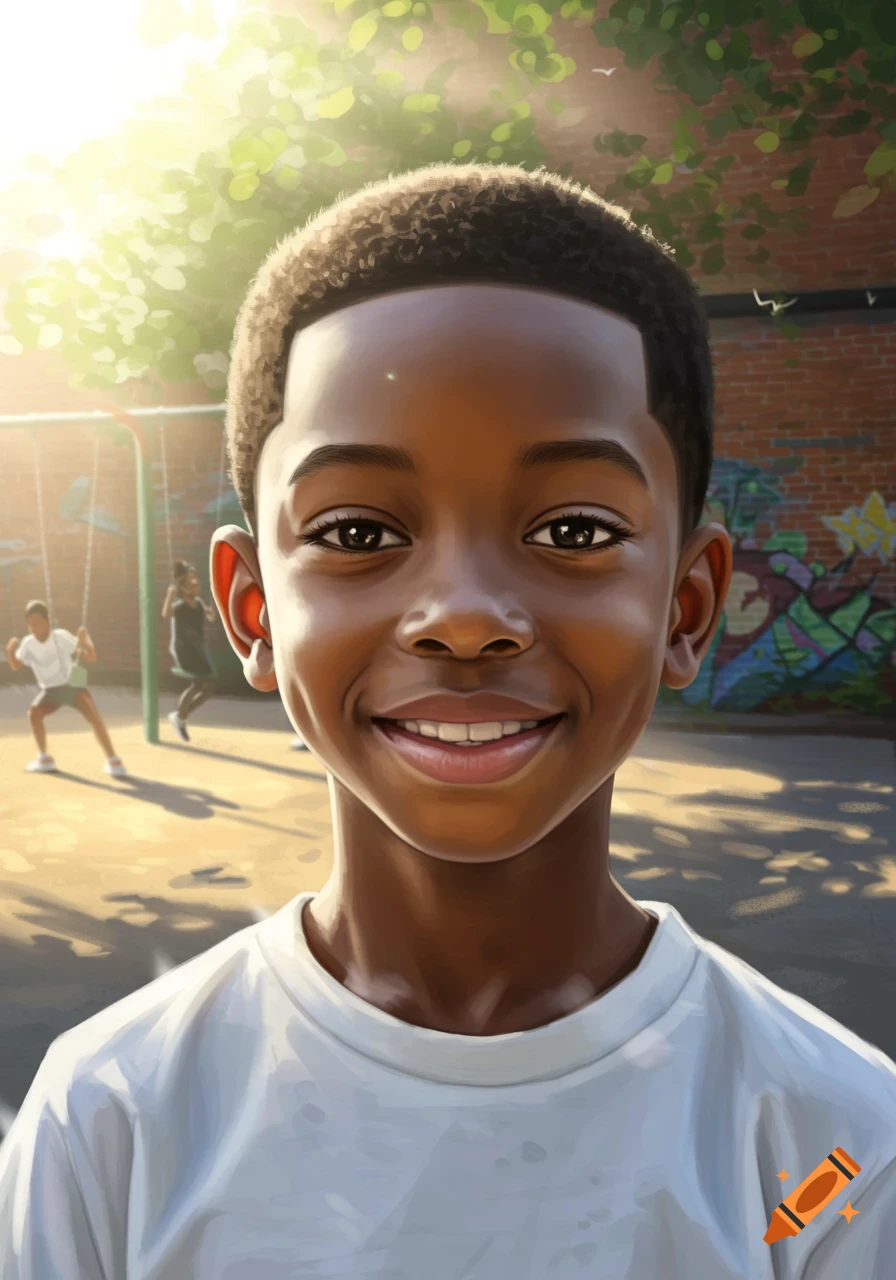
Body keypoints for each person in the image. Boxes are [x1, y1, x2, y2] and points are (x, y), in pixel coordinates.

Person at [1, 164, 894, 1279]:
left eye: (571, 530)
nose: (464, 617)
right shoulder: (111, 1117)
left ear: (687, 601)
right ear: (250, 607)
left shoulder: (838, 1148)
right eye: (359, 531)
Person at [5, 599, 127, 778]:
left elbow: (90, 658)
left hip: (73, 685)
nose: (34, 628)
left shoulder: (60, 636)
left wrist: (86, 641)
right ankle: (44, 758)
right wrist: (10, 651)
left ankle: (113, 760)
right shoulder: (28, 643)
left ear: (48, 622)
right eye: (30, 624)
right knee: (33, 713)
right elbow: (15, 666)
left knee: (94, 717)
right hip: (50, 691)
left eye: (38, 623)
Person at [162, 560, 216, 742]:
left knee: (207, 689)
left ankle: (180, 716)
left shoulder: (199, 603)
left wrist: (211, 611)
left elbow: (211, 618)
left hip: (197, 649)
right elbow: (166, 614)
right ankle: (179, 717)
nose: (197, 584)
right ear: (184, 588)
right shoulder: (180, 606)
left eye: (197, 581)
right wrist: (170, 595)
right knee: (198, 683)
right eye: (192, 582)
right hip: (184, 649)